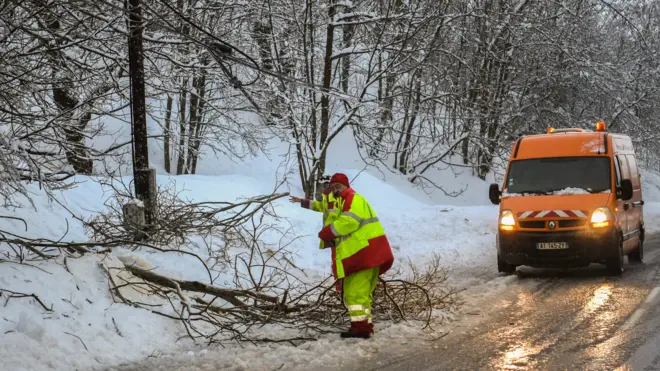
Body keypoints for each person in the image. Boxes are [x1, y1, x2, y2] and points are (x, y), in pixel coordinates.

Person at [316, 173, 394, 339]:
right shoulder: (346, 200)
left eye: (338, 187)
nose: (336, 190)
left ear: (346, 186)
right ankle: (365, 325)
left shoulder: (352, 198)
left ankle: (360, 328)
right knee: (363, 294)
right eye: (333, 187)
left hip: (363, 255)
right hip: (369, 254)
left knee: (354, 293)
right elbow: (326, 208)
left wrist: (326, 232)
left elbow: (349, 222)